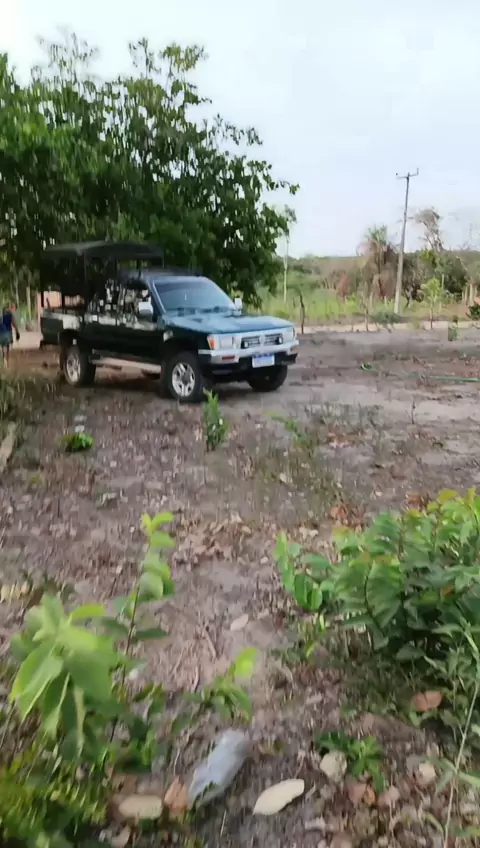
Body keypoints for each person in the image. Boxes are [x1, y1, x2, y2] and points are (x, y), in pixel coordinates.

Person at [0, 304, 20, 368]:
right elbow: (14, 324)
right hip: (8, 333)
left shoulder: (1, 317)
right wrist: (17, 332)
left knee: (3, 346)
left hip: (1, 334)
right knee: (7, 346)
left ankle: (4, 359)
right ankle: (6, 360)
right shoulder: (10, 315)